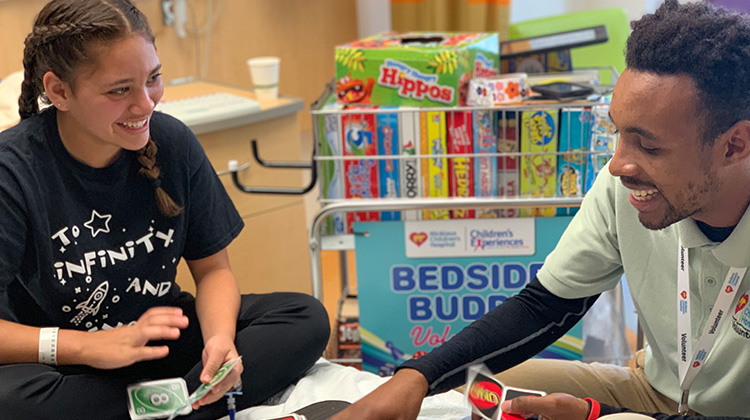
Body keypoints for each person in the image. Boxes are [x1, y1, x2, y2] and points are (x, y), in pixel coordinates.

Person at [332, 1, 750, 419]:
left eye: (649, 146)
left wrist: (598, 415)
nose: (617, 165)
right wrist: (416, 377)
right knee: (468, 390)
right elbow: (544, 307)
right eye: (618, 133)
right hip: (656, 392)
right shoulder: (625, 190)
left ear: (734, 145)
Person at [0, 1, 330, 419]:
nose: (145, 104)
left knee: (304, 316)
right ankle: (186, 406)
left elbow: (213, 271)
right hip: (67, 364)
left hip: (163, 346)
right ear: (60, 91)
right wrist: (89, 346)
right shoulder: (12, 171)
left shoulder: (172, 142)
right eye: (119, 90)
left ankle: (170, 406)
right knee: (8, 399)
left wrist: (219, 343)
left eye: (153, 79)